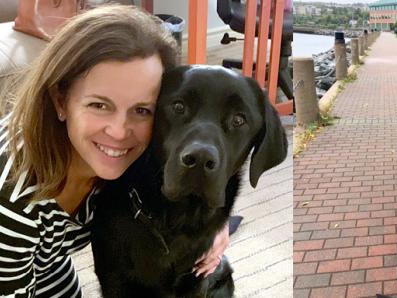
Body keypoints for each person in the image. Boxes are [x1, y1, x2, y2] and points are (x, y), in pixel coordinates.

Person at [0, 5, 229, 297]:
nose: (120, 132)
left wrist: (214, 227)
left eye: (142, 110)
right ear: (60, 101)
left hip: (48, 261)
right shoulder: (11, 199)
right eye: (99, 105)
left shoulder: (144, 147)